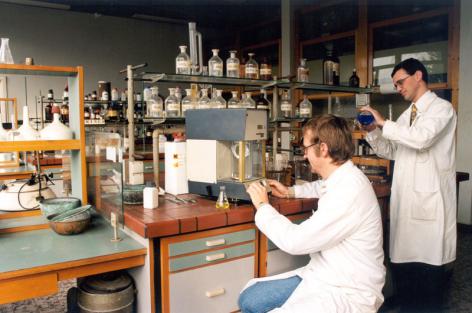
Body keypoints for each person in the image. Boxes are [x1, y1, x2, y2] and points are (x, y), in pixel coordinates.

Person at [238, 115, 385, 313]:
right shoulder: (344, 177)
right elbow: (322, 187)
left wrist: (263, 206)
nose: (304, 155)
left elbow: (295, 241)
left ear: (322, 148)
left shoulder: (348, 191)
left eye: (305, 148)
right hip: (325, 274)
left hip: (348, 290)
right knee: (250, 299)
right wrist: (291, 191)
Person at [360, 58, 457, 312]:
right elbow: (391, 149)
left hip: (429, 205)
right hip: (406, 202)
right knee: (405, 277)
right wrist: (371, 131)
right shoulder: (407, 115)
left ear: (418, 76)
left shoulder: (442, 109)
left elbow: (422, 139)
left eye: (400, 82)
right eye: (395, 84)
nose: (399, 88)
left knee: (428, 280)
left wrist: (383, 122)